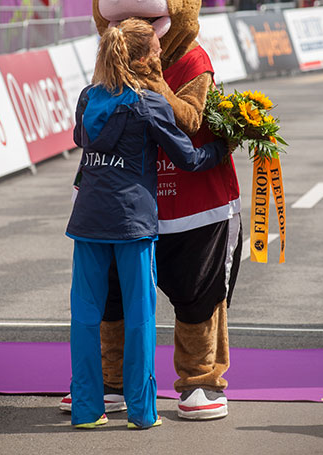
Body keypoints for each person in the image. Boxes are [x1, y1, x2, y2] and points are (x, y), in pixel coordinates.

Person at [66, 18, 231, 430]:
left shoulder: (88, 96)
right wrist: (223, 147)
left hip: (87, 221)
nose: (161, 57)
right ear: (142, 58)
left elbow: (78, 139)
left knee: (85, 315)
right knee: (140, 316)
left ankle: (88, 409)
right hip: (132, 223)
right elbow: (188, 159)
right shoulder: (149, 103)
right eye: (156, 52)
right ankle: (141, 412)